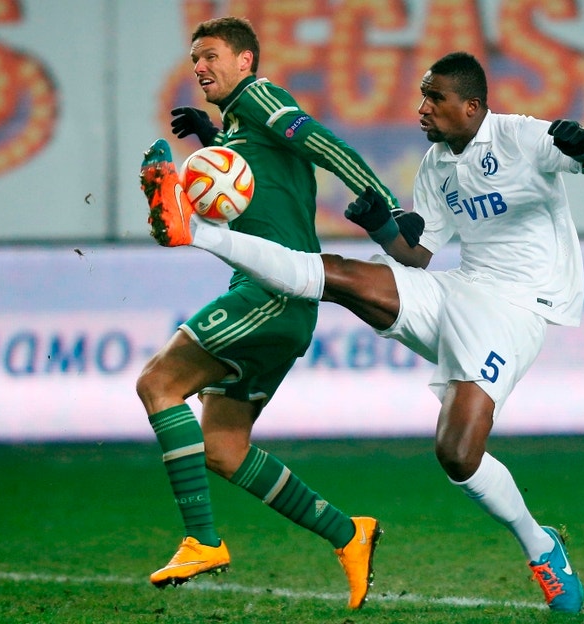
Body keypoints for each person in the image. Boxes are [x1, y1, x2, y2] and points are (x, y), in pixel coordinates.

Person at [144, 51, 584, 613]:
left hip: (515, 308)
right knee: (340, 275)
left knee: (457, 454)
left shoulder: (520, 136)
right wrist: (380, 227)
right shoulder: (436, 165)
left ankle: (541, 546)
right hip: (461, 288)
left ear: (472, 106)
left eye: (435, 98)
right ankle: (198, 232)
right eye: (422, 96)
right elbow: (417, 255)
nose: (423, 108)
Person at [137, 16, 420, 610]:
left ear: (245, 60)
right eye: (195, 59)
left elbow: (324, 144)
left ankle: (202, 540)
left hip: (272, 293)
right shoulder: (241, 128)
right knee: (224, 447)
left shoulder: (260, 96)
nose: (200, 67)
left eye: (211, 55)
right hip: (282, 300)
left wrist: (388, 206)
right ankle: (349, 534)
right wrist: (213, 143)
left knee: (158, 383)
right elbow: (260, 189)